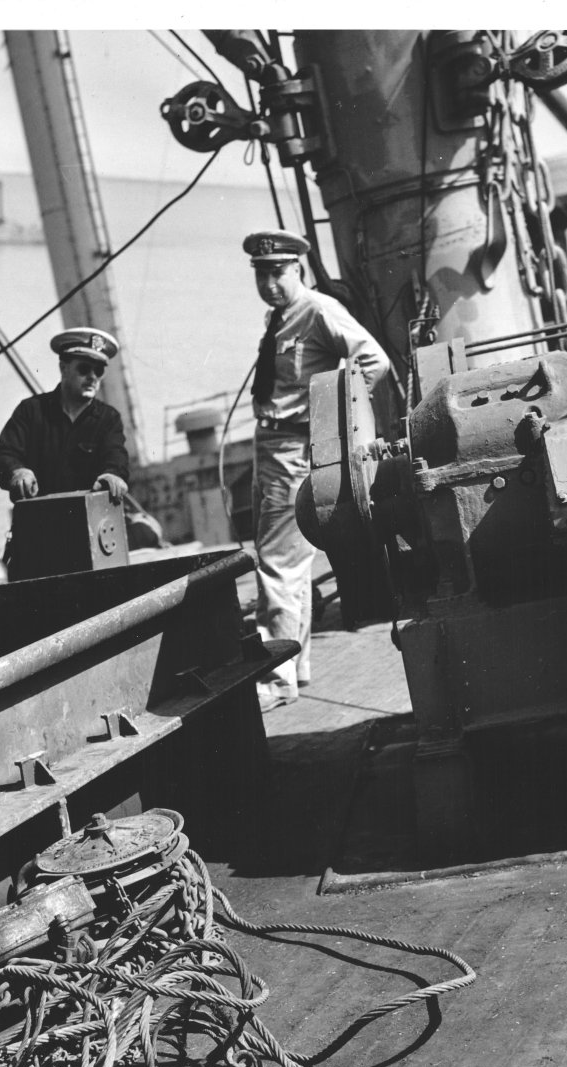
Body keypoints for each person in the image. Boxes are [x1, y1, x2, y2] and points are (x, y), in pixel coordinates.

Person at [243, 229, 391, 711]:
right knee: (292, 561)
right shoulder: (279, 317)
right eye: (262, 275)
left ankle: (275, 679)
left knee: (277, 565)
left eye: (277, 273)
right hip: (271, 446)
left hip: (291, 446)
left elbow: (372, 360)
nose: (269, 284)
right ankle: (295, 665)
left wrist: (328, 421)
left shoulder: (317, 310)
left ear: (297, 269)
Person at [0, 328, 134, 575]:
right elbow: (3, 453)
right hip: (37, 541)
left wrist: (112, 474)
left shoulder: (108, 420)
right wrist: (17, 471)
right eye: (84, 369)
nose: (92, 377)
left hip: (90, 541)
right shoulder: (31, 412)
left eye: (98, 371)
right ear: (63, 367)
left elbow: (116, 456)